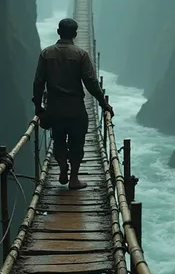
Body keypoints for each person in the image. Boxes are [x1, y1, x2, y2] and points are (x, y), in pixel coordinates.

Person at [32, 17, 114, 190]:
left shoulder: (46, 54)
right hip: (76, 108)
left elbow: (38, 82)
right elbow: (91, 82)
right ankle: (74, 179)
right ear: (75, 34)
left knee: (58, 140)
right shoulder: (81, 55)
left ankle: (62, 165)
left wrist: (38, 107)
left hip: (54, 108)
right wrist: (103, 103)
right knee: (77, 143)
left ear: (58, 32)